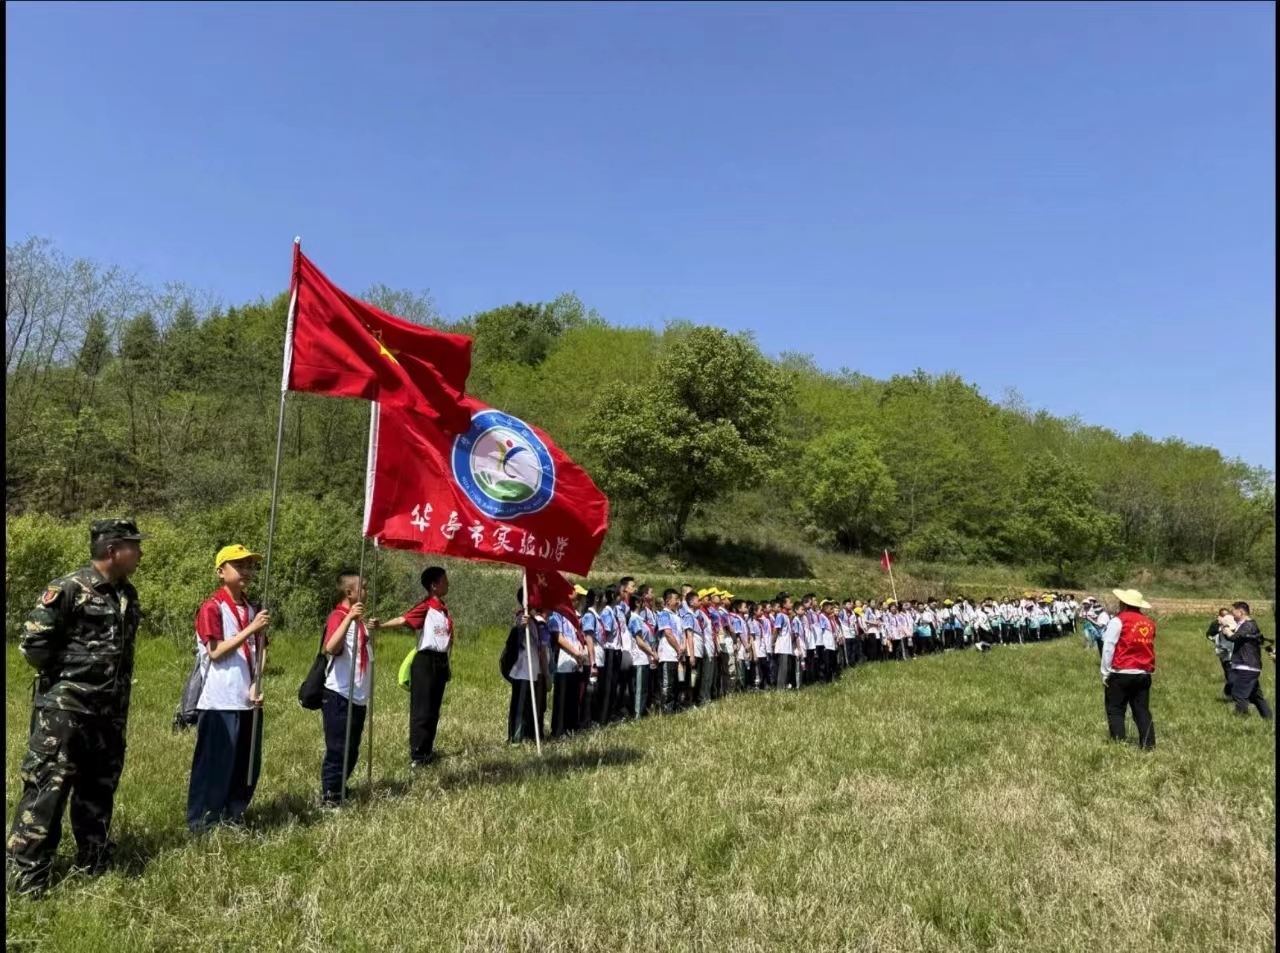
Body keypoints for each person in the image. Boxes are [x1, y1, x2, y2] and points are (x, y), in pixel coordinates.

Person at [6, 519, 146, 898]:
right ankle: (27, 876)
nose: (140, 552)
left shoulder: (127, 594)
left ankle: (95, 860)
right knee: (47, 791)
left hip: (110, 713)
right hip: (66, 712)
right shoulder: (68, 589)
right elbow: (34, 646)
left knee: (99, 789)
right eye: (134, 545)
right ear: (112, 549)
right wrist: (70, 681)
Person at [187, 545, 271, 833]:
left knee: (246, 766)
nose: (247, 571)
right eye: (239, 565)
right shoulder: (212, 607)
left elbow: (261, 649)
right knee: (214, 766)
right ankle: (203, 822)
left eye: (251, 566)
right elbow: (216, 652)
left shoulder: (254, 609)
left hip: (247, 699)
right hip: (219, 699)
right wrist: (251, 629)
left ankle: (233, 814)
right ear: (221, 572)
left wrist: (257, 683)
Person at [374, 567, 452, 768]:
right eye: (444, 580)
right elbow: (403, 619)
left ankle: (427, 750)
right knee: (422, 710)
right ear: (433, 586)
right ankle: (417, 756)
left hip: (440, 662)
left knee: (433, 710)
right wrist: (381, 626)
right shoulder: (426, 606)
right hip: (425, 662)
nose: (447, 583)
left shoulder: (443, 609)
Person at [319, 570, 371, 806]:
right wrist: (349, 618)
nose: (366, 592)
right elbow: (330, 647)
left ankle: (341, 787)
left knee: (352, 748)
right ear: (349, 592)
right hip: (339, 693)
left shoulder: (358, 620)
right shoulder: (338, 617)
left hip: (358, 694)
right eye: (362, 588)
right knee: (338, 747)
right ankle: (330, 794)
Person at [1100, 589, 1157, 750]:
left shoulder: (1118, 621)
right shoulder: (1149, 623)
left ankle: (1118, 744)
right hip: (1143, 673)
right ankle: (1148, 745)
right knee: (1142, 711)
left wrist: (1105, 672)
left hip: (1121, 672)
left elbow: (1109, 647)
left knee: (1116, 709)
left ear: (1123, 603)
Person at [1222, 602, 1273, 720]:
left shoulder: (1249, 625)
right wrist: (1226, 629)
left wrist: (1226, 627)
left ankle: (1241, 722)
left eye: (1233, 611)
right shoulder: (1242, 625)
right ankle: (1269, 719)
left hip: (1247, 666)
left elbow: (1234, 637)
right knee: (1255, 696)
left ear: (1241, 612)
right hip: (1243, 665)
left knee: (1239, 694)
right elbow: (1233, 637)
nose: (1232, 614)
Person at [1205, 608, 1236, 700]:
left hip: (1235, 652)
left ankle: (1232, 691)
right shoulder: (1216, 625)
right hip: (1224, 653)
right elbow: (1209, 635)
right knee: (1228, 671)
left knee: (1234, 673)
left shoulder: (1235, 624)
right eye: (1223, 616)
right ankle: (1230, 690)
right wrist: (1215, 639)